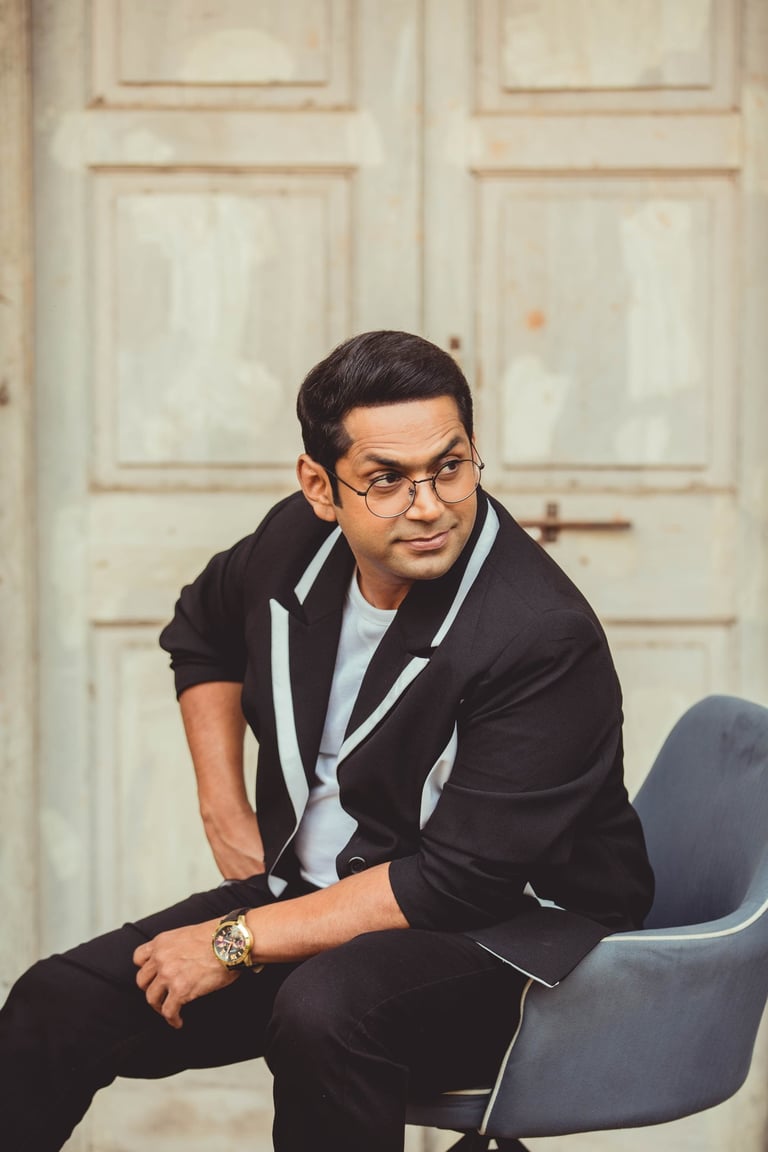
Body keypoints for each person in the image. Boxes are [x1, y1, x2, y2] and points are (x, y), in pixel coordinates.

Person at [0, 330, 654, 1152]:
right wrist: (223, 807)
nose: (428, 505)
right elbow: (201, 630)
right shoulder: (295, 545)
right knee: (56, 1004)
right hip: (320, 901)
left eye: (449, 468)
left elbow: (456, 884)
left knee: (325, 1012)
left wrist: (235, 941)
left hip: (521, 940)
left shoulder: (539, 635)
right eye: (386, 479)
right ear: (320, 486)